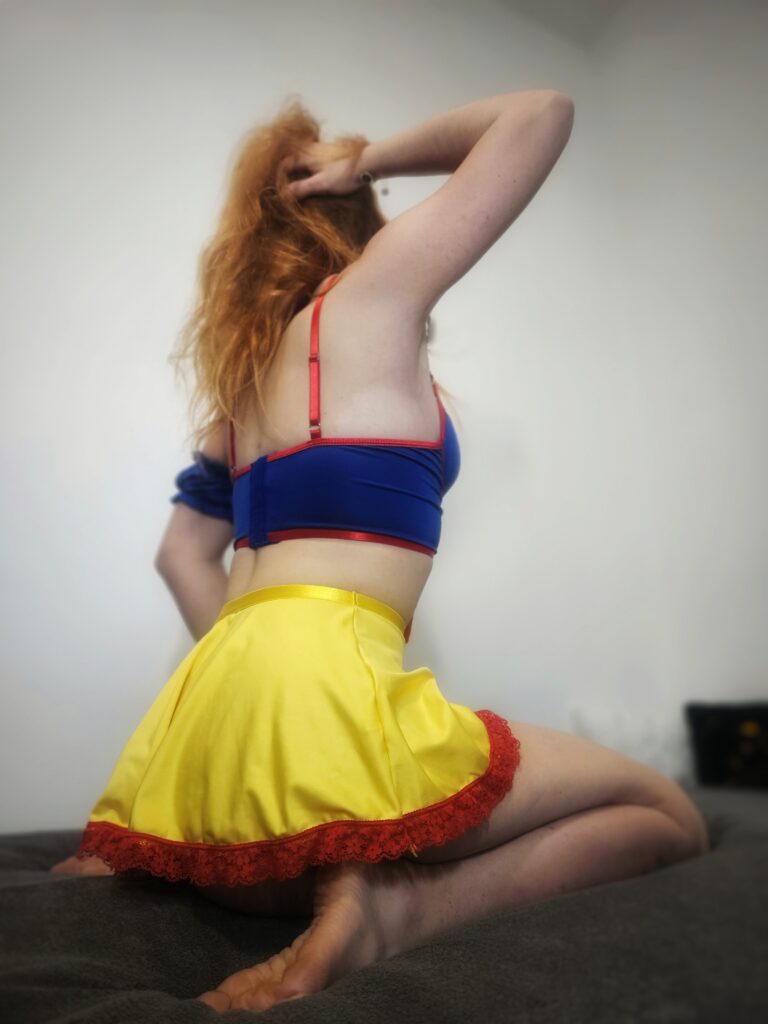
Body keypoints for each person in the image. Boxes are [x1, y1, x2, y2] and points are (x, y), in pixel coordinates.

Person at [52, 91, 709, 1013]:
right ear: (344, 205)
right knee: (665, 812)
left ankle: (358, 887)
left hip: (204, 775)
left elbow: (180, 556)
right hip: (331, 735)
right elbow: (541, 113)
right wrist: (365, 158)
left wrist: (253, 702)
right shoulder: (371, 296)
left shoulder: (233, 402)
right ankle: (401, 911)